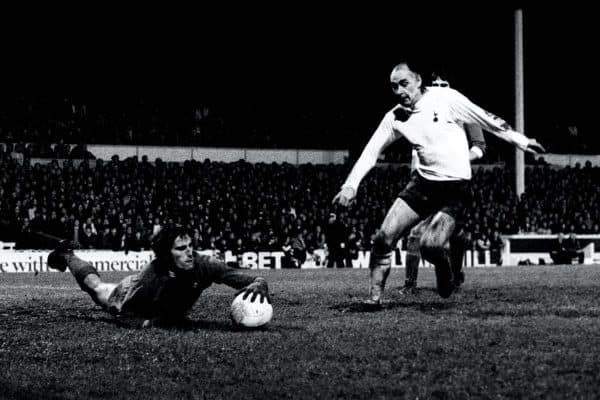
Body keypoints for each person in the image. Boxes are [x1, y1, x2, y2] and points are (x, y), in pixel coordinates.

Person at [332, 61, 544, 304]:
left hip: (456, 188)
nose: (400, 91)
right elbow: (370, 152)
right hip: (423, 185)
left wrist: (523, 142)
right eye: (394, 87)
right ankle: (373, 300)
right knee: (383, 237)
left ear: (418, 81)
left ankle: (447, 271)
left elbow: (486, 118)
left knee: (430, 246)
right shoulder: (396, 117)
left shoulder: (446, 99)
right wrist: (350, 185)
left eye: (404, 84)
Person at [47, 224, 271, 328]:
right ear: (166, 254)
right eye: (181, 248)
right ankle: (67, 254)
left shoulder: (205, 264)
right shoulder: (151, 276)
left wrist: (259, 284)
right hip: (130, 294)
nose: (189, 252)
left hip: (162, 305)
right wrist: (150, 323)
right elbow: (126, 314)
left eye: (190, 246)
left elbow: (245, 278)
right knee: (96, 287)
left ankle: (66, 254)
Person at [400, 72, 487, 294]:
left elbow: (479, 146)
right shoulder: (421, 113)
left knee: (457, 235)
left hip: (455, 183)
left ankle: (455, 276)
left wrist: (461, 158)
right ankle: (410, 285)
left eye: (443, 84)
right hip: (427, 183)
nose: (439, 88)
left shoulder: (463, 110)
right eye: (435, 84)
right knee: (415, 233)